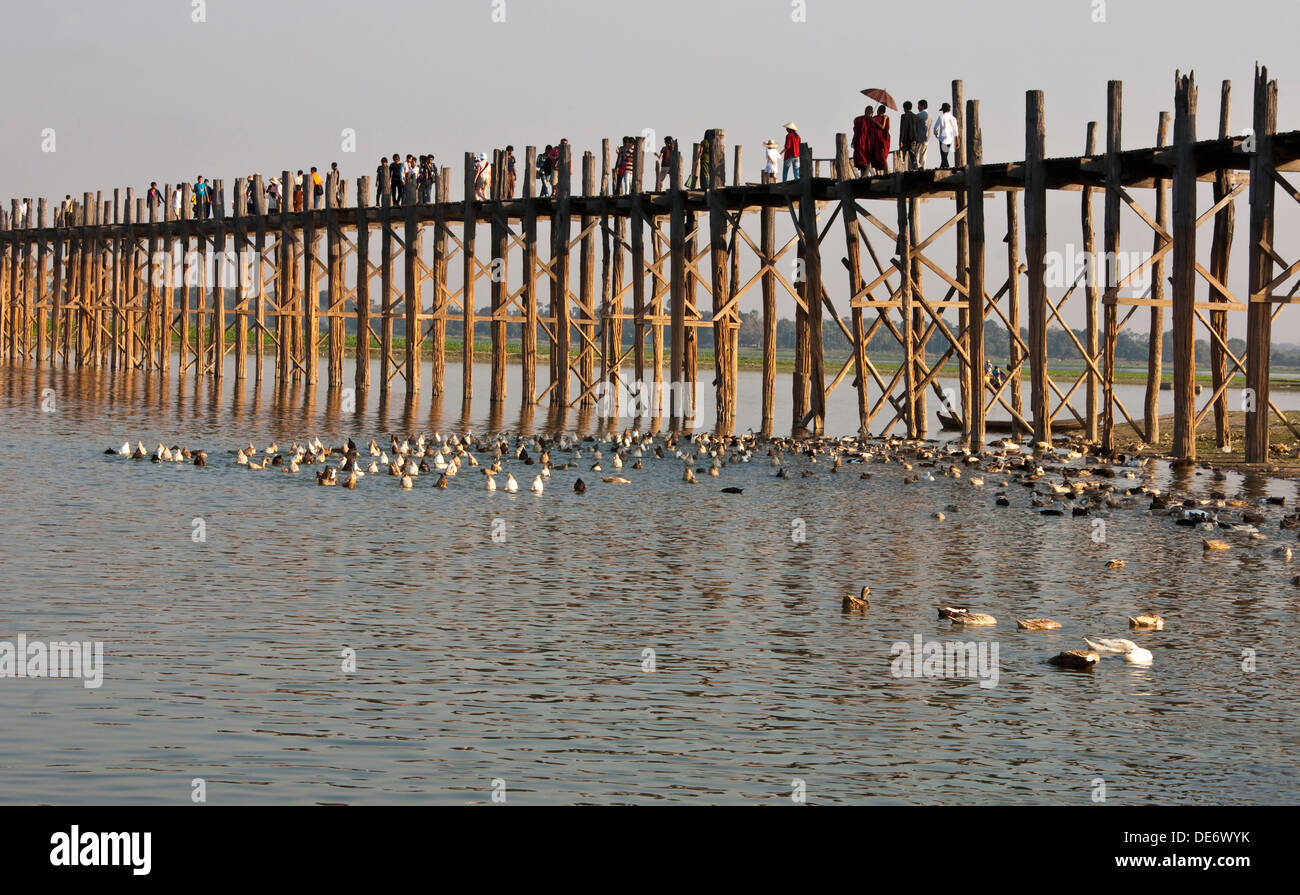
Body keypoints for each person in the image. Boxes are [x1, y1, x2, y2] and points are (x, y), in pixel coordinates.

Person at [934, 102, 959, 169]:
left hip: (942, 139)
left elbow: (935, 128)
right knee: (945, 155)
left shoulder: (941, 117)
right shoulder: (953, 118)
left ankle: (946, 167)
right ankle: (942, 167)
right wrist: (957, 141)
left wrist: (936, 134)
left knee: (944, 156)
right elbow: (956, 131)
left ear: (943, 110)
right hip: (950, 139)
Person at [852, 107, 874, 177]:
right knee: (864, 161)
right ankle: (864, 177)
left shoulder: (858, 119)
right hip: (864, 142)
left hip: (862, 142)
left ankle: (863, 177)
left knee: (863, 160)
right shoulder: (860, 120)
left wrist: (853, 140)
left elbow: (855, 131)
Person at [899, 101, 920, 171]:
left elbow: (902, 129)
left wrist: (900, 141)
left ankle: (902, 169)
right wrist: (917, 140)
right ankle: (915, 167)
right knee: (913, 154)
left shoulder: (903, 116)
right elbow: (917, 129)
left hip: (905, 139)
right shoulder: (916, 116)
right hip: (914, 138)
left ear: (904, 108)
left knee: (903, 155)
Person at [871, 105, 891, 174]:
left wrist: (874, 121)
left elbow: (883, 127)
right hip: (884, 138)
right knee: (880, 156)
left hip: (879, 138)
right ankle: (884, 172)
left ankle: (880, 172)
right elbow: (888, 128)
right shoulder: (886, 117)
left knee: (878, 155)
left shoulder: (876, 118)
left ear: (879, 110)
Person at [916, 100, 931, 169]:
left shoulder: (919, 115)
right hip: (927, 138)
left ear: (922, 106)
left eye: (919, 106)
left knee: (917, 154)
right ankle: (922, 167)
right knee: (924, 154)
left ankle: (917, 167)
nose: (918, 107)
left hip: (919, 137)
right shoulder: (930, 117)